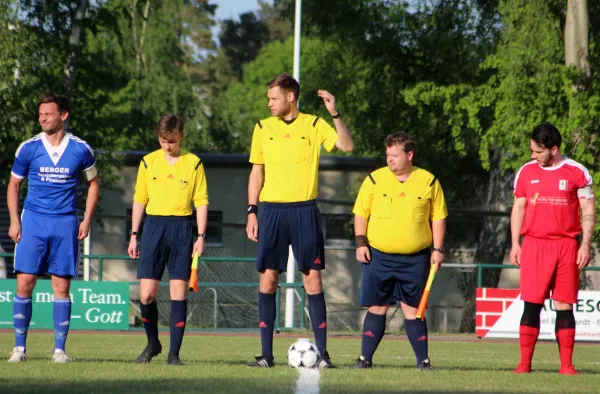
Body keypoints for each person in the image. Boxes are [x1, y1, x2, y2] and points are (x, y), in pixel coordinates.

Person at [245, 73, 354, 368]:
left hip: (305, 211)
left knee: (313, 279)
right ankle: (266, 355)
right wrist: (252, 210)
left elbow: (346, 146)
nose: (269, 104)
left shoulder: (315, 124)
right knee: (268, 280)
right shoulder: (262, 128)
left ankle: (322, 355)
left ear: (290, 97)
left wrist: (334, 113)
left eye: (273, 98)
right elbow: (256, 172)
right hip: (271, 212)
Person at [7, 93, 99, 363]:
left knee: (61, 285)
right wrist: (15, 219)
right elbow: (14, 185)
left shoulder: (81, 149)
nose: (43, 118)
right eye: (40, 114)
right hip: (33, 220)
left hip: (65, 222)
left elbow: (93, 184)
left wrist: (87, 219)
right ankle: (19, 349)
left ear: (64, 115)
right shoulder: (28, 148)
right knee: (25, 282)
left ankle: (59, 350)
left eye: (48, 113)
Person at [350, 132, 447, 371]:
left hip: (416, 259)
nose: (390, 159)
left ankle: (423, 362)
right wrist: (361, 243)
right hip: (378, 256)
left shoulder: (429, 181)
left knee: (413, 310)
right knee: (377, 307)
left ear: (409, 155)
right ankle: (364, 359)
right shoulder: (374, 180)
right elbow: (361, 213)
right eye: (387, 155)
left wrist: (438, 249)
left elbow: (438, 217)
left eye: (394, 155)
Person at [510, 123, 595, 375]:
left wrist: (585, 245)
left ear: (554, 149)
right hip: (534, 244)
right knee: (531, 304)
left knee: (564, 305)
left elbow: (589, 210)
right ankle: (524, 364)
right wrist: (515, 243)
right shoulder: (526, 172)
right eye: (532, 150)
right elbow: (519, 208)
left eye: (537, 151)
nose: (532, 156)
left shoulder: (577, 172)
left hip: (566, 246)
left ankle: (566, 365)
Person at [128, 114, 209, 366]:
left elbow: (202, 202)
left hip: (182, 229)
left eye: (171, 141)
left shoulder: (194, 163)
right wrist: (134, 235)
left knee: (178, 293)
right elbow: (139, 199)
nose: (167, 146)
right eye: (163, 141)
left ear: (181, 136)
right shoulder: (148, 162)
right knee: (147, 294)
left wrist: (201, 236)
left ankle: (174, 354)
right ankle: (153, 343)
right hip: (153, 228)